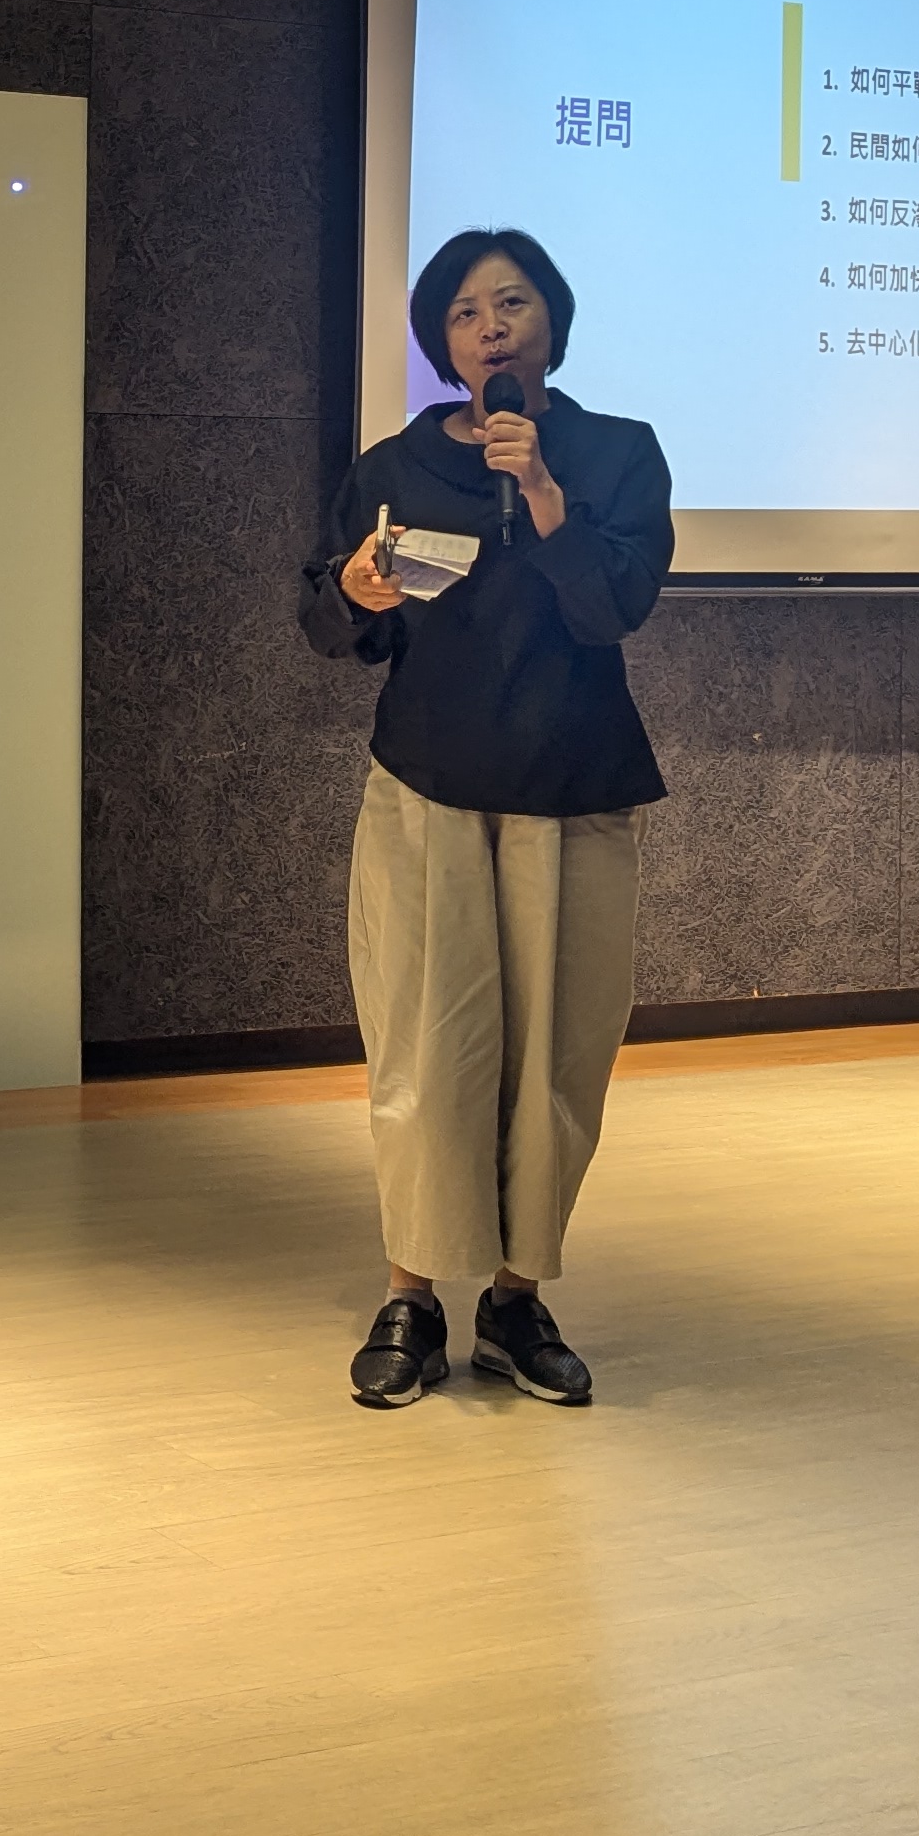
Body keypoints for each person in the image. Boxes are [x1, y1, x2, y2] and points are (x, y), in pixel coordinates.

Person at [301, 229, 671, 1412]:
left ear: (551, 321)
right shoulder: (395, 465)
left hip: (573, 788)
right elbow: (333, 619)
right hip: (428, 789)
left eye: (512, 303)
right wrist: (353, 592)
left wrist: (546, 496)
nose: (492, 327)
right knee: (424, 1049)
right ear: (441, 342)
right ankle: (411, 1294)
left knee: (558, 1059)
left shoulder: (615, 455)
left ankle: (516, 1300)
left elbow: (615, 606)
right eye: (465, 312)